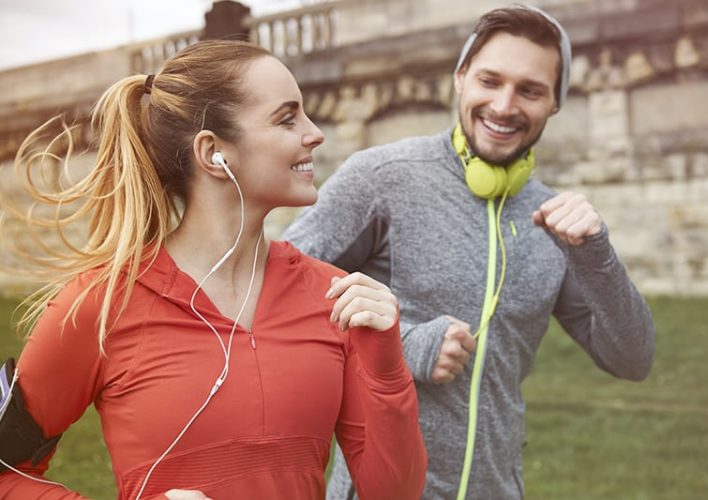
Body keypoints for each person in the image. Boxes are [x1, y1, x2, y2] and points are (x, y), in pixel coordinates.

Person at [0, 40, 427, 499]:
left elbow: (394, 493)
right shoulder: (100, 304)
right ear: (213, 153)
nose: (315, 132)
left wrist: (385, 369)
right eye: (287, 118)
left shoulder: (336, 297)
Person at [283, 5, 655, 499]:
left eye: (530, 90)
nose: (504, 106)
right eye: (489, 80)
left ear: (555, 103)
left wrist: (596, 254)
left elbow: (633, 358)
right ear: (460, 78)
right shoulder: (381, 177)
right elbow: (275, 288)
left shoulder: (556, 221)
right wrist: (402, 342)